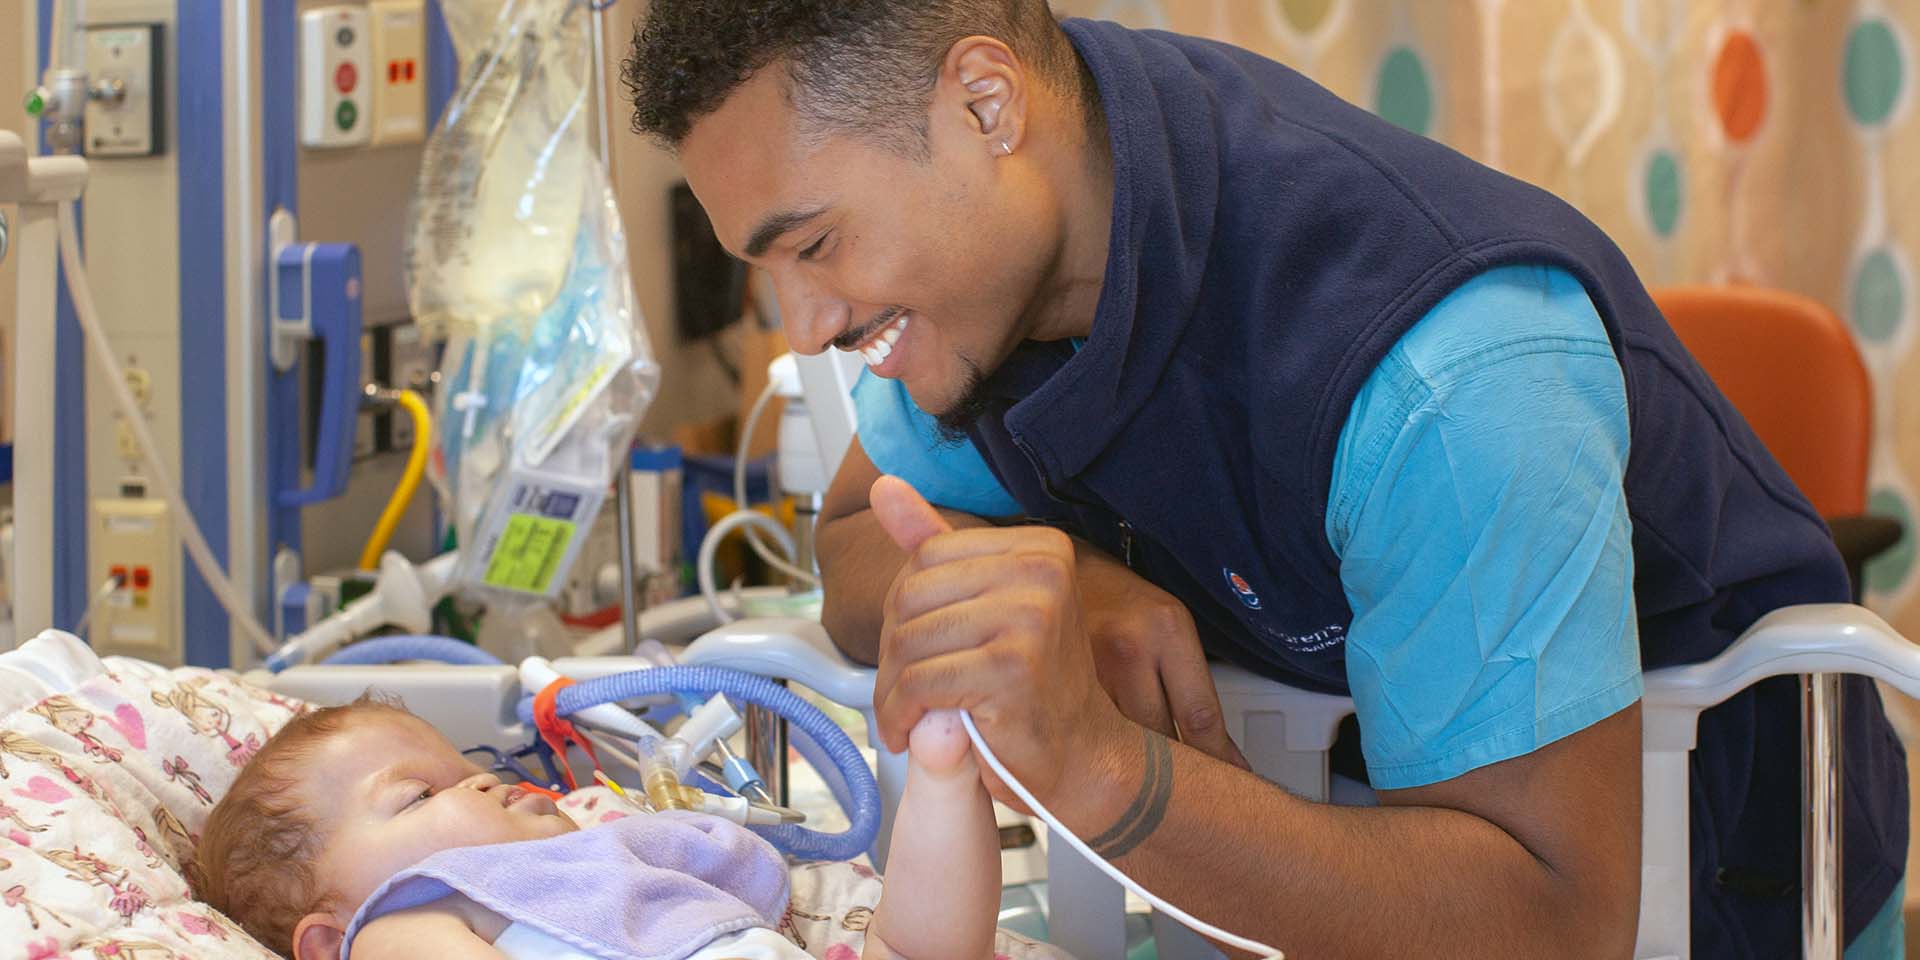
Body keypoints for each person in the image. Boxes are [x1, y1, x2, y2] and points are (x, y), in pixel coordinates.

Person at [624, 2, 1911, 957]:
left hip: (1721, 874)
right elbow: (856, 535)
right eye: (762, 262)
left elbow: (1552, 917)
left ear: (986, 106)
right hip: (1349, 825)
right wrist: (1075, 581)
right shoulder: (1003, 254)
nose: (797, 325)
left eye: (817, 245)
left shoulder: (1446, 375)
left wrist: (1100, 772)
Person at [186, 695, 1009, 960]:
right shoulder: (403, 917)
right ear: (326, 940)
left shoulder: (604, 851)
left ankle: (944, 777)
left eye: (466, 763)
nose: (480, 778)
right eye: (415, 796)